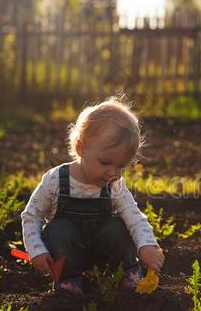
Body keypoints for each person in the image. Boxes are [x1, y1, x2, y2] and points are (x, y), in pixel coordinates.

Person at [21, 96, 165, 295]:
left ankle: (126, 272)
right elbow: (31, 216)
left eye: (121, 166)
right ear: (81, 148)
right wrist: (37, 250)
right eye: (105, 162)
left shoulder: (114, 185)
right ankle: (69, 281)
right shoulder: (55, 180)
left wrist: (147, 245)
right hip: (67, 253)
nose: (113, 173)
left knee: (119, 226)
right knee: (58, 229)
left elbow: (135, 217)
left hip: (101, 253)